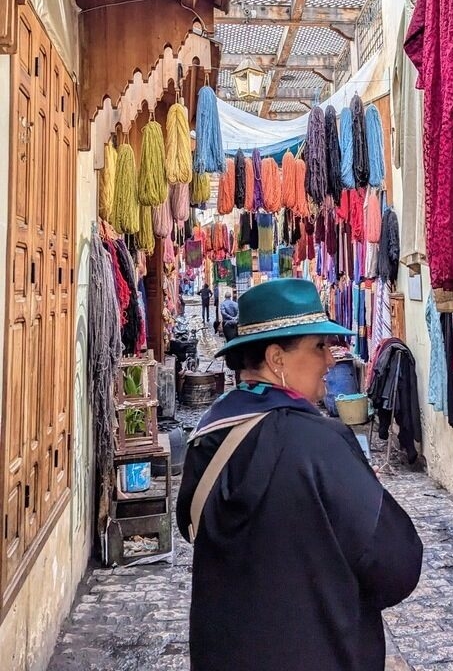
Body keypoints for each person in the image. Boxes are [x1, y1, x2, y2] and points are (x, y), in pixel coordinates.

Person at [176, 278, 422, 671]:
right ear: (277, 359)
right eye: (319, 346)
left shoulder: (207, 438)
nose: (330, 360)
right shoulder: (320, 444)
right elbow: (397, 564)